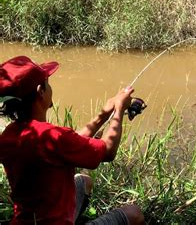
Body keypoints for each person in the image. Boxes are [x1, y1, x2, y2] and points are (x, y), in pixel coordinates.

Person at [0, 56, 145, 225]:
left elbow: (68, 142)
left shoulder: (10, 136)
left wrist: (103, 115)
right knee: (134, 214)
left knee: (84, 181)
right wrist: (119, 110)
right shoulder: (51, 136)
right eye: (48, 82)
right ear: (41, 90)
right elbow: (108, 151)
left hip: (26, 221)